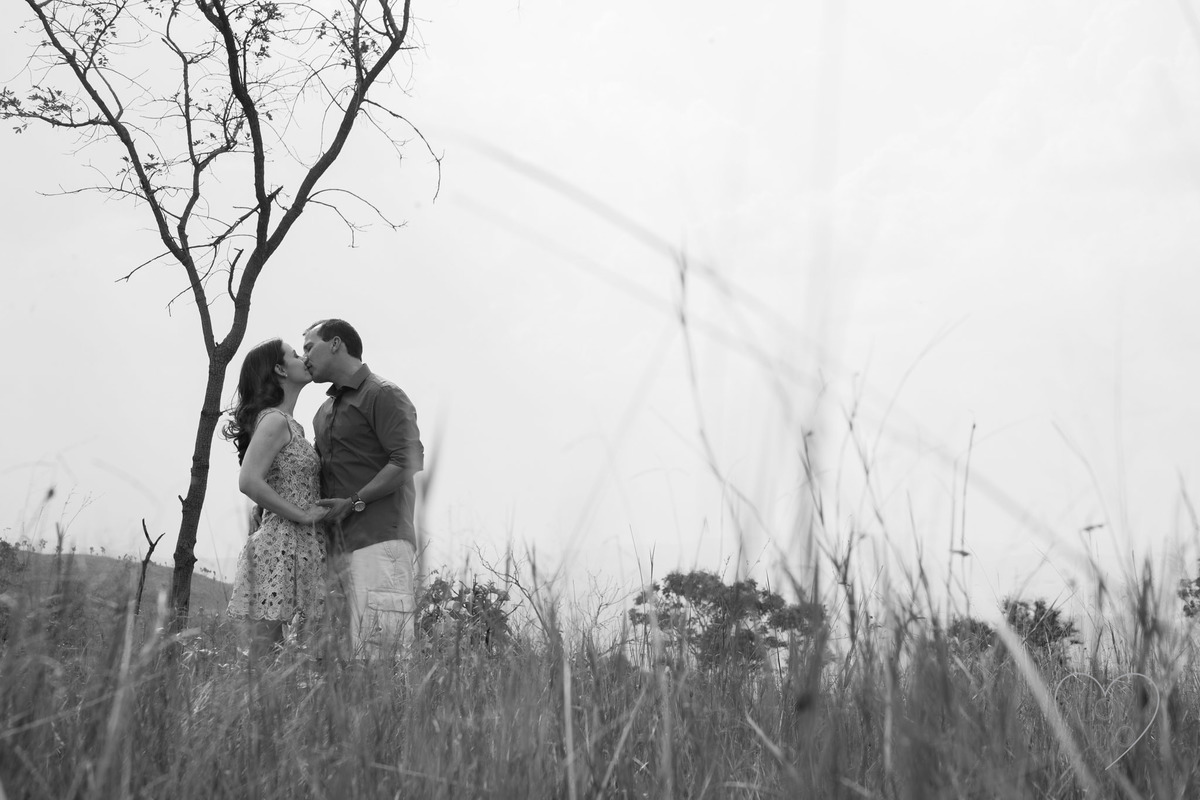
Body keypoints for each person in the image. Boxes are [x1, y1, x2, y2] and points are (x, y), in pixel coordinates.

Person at [303, 319, 424, 661]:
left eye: (309, 347)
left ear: (336, 343)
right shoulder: (323, 412)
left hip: (379, 542)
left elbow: (407, 459)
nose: (304, 356)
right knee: (338, 665)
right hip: (335, 551)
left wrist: (354, 502)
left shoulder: (383, 393)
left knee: (381, 660)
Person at [224, 338, 329, 655]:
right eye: (295, 355)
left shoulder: (290, 424)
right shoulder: (274, 420)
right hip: (278, 546)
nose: (303, 358)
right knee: (265, 655)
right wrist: (303, 515)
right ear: (281, 370)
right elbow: (249, 480)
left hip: (298, 547)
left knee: (287, 658)